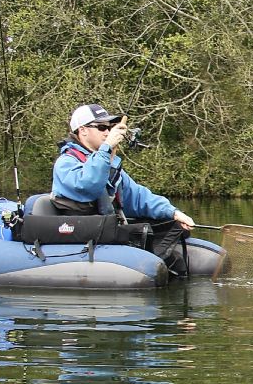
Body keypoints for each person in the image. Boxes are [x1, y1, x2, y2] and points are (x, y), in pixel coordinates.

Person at [52, 103, 195, 275]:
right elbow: (89, 186)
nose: (108, 132)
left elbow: (137, 197)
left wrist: (173, 212)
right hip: (83, 233)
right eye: (102, 127)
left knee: (173, 227)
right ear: (82, 131)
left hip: (107, 231)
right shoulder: (66, 163)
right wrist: (106, 149)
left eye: (110, 127)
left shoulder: (108, 163)